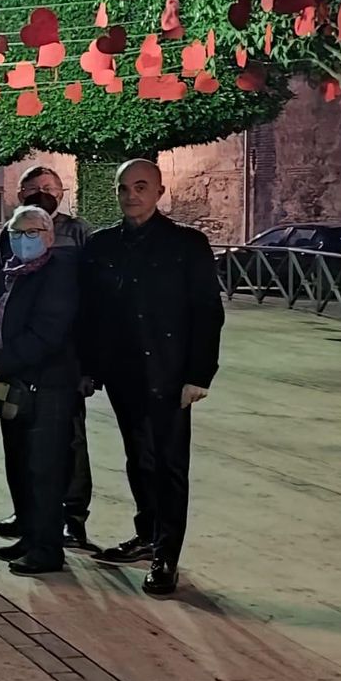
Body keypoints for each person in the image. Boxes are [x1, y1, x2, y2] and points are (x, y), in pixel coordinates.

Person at [80, 159, 224, 596]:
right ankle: (146, 534)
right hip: (124, 373)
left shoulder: (186, 244)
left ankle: (167, 554)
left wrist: (199, 374)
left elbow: (207, 313)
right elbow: (90, 314)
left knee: (169, 465)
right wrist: (89, 367)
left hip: (170, 372)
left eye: (141, 186)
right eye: (123, 187)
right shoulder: (102, 246)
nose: (131, 195)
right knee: (138, 459)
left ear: (159, 192)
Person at [0, 206, 80, 575]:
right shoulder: (11, 273)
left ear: (49, 236)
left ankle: (48, 549)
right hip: (16, 387)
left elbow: (47, 333)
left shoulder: (60, 273)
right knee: (19, 464)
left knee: (44, 469)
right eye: (16, 233)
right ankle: (31, 536)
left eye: (32, 232)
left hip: (47, 386)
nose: (23, 239)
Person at [0, 165, 95, 550]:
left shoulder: (76, 238)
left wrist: (88, 368)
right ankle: (31, 521)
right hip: (16, 373)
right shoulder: (11, 240)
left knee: (63, 448)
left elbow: (71, 317)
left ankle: (68, 519)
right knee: (21, 449)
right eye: (32, 188)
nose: (41, 193)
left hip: (52, 373)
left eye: (48, 188)